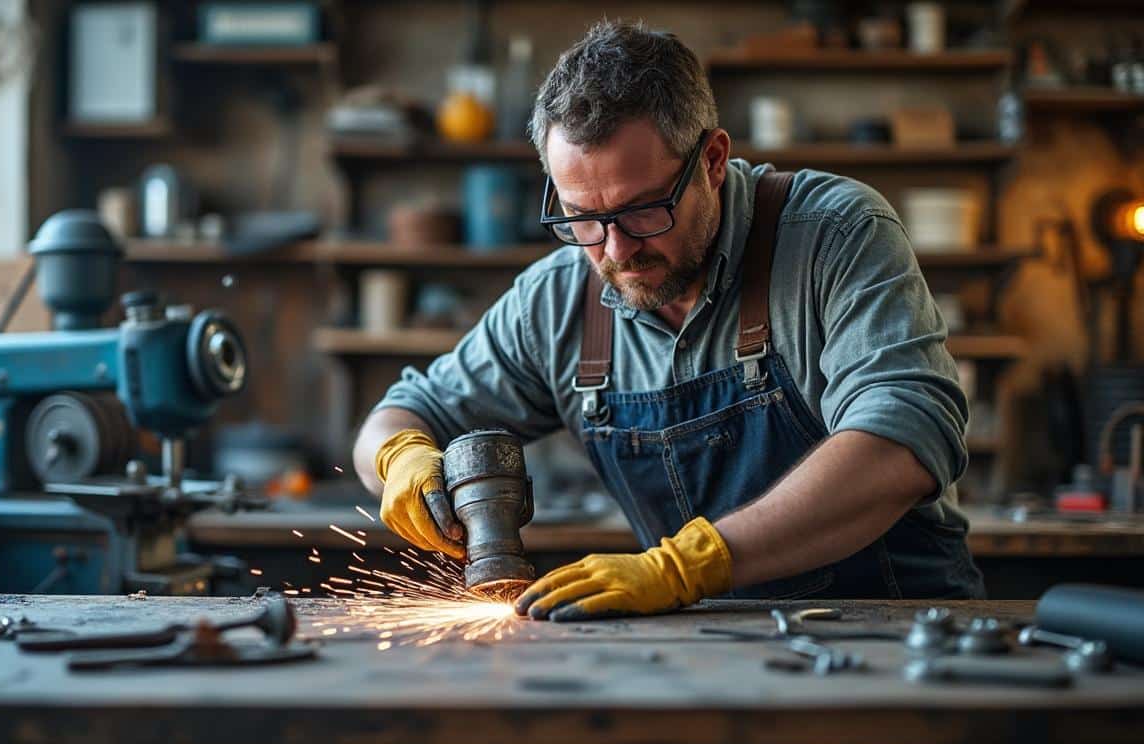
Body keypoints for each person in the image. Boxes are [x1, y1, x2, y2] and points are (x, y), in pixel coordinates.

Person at [353, 20, 985, 627]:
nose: (616, 251)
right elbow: (401, 412)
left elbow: (903, 440)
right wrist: (399, 456)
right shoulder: (557, 300)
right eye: (581, 217)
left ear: (711, 159)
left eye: (643, 211)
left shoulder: (835, 233)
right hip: (693, 654)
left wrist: (689, 566)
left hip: (890, 645)